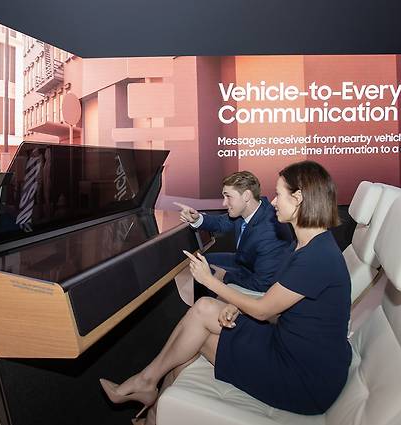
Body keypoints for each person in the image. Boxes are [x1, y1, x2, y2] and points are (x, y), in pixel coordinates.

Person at [100, 161, 351, 422]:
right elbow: (287, 306)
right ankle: (149, 391)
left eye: (279, 194)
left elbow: (265, 311)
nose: (273, 202)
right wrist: (238, 305)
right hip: (289, 345)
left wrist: (211, 281)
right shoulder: (307, 246)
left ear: (298, 198)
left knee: (196, 338)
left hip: (303, 378)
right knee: (203, 309)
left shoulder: (315, 257)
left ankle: (150, 402)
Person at [175, 171, 290, 294]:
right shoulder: (252, 208)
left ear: (246, 196)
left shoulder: (269, 232)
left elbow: (263, 285)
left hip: (257, 278)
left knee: (208, 273)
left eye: (228, 196)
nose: (224, 203)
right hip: (245, 263)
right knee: (203, 261)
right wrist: (197, 219)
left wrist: (225, 277)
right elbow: (220, 223)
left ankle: (211, 306)